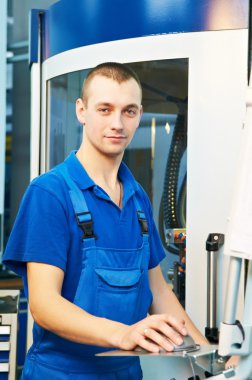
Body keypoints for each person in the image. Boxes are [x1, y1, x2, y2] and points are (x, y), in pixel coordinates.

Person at [3, 62, 208, 379]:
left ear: (139, 115)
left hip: (125, 372)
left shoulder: (137, 198)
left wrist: (209, 357)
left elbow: (160, 292)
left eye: (128, 111)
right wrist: (123, 334)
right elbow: (44, 305)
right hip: (62, 374)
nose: (117, 123)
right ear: (81, 111)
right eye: (104, 109)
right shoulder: (50, 193)